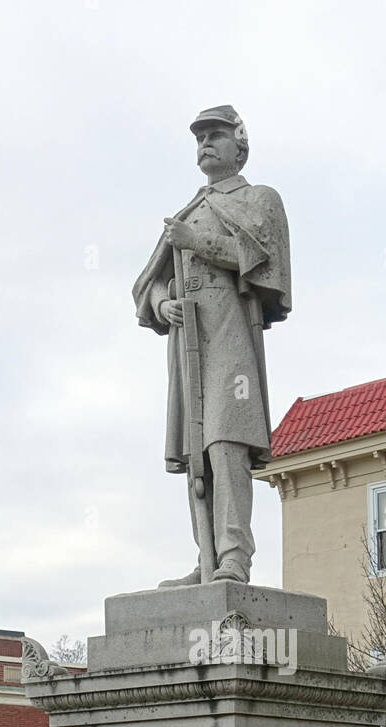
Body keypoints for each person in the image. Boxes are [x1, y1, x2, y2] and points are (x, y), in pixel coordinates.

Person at [133, 105, 291, 585]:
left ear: (239, 145)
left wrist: (197, 243)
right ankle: (206, 559)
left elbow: (263, 262)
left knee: (227, 442)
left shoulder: (259, 198)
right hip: (188, 344)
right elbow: (148, 283)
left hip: (230, 336)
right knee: (195, 452)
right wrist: (163, 305)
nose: (205, 143)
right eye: (200, 137)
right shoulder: (188, 211)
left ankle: (234, 556)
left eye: (216, 135)